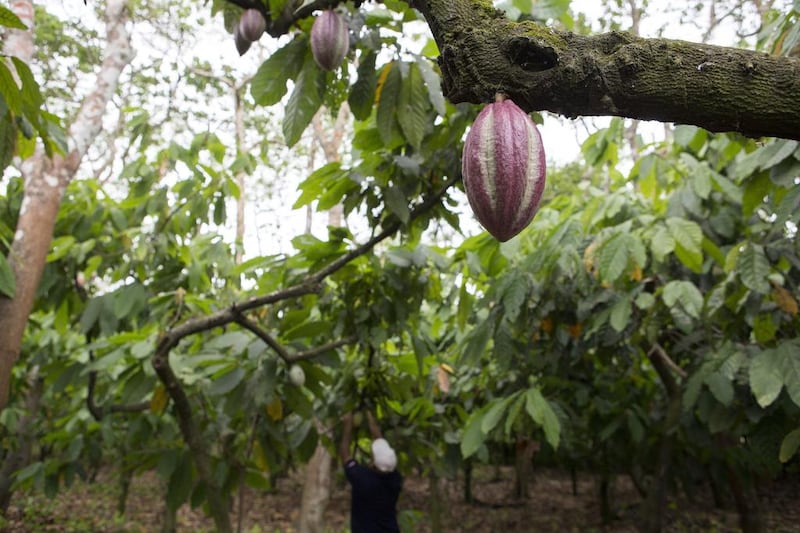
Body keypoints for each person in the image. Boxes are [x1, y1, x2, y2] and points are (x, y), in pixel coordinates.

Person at [339, 410, 403, 532]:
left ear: (374, 464)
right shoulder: (395, 479)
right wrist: (370, 416)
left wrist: (347, 427)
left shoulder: (363, 479)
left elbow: (344, 453)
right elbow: (379, 440)